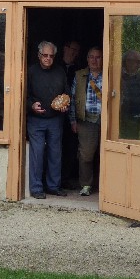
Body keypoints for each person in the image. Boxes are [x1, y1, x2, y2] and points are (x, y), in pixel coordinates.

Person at [25, 41, 70, 199]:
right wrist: (31, 105)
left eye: (51, 56)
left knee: (55, 153)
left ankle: (53, 186)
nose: (48, 58)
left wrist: (66, 105)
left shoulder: (60, 71)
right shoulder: (30, 71)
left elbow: (66, 93)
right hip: (36, 120)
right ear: (39, 55)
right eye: (45, 55)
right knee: (37, 153)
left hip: (55, 119)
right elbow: (23, 95)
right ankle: (36, 188)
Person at [69, 46, 103, 196]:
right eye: (91, 57)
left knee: (109, 152)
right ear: (87, 59)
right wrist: (72, 121)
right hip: (86, 120)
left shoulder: (109, 74)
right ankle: (86, 185)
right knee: (86, 155)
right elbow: (72, 99)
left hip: (107, 120)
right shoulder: (79, 75)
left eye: (98, 57)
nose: (94, 60)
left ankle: (109, 186)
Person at [59, 40, 81, 189]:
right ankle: (53, 180)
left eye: (77, 51)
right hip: (55, 115)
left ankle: (66, 178)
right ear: (64, 48)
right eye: (72, 49)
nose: (73, 53)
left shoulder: (79, 71)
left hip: (72, 116)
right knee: (55, 146)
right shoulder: (54, 66)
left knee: (71, 147)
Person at [120, 50, 140, 139]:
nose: (133, 64)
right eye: (130, 60)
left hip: (135, 119)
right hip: (120, 119)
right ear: (125, 62)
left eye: (136, 61)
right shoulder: (118, 77)